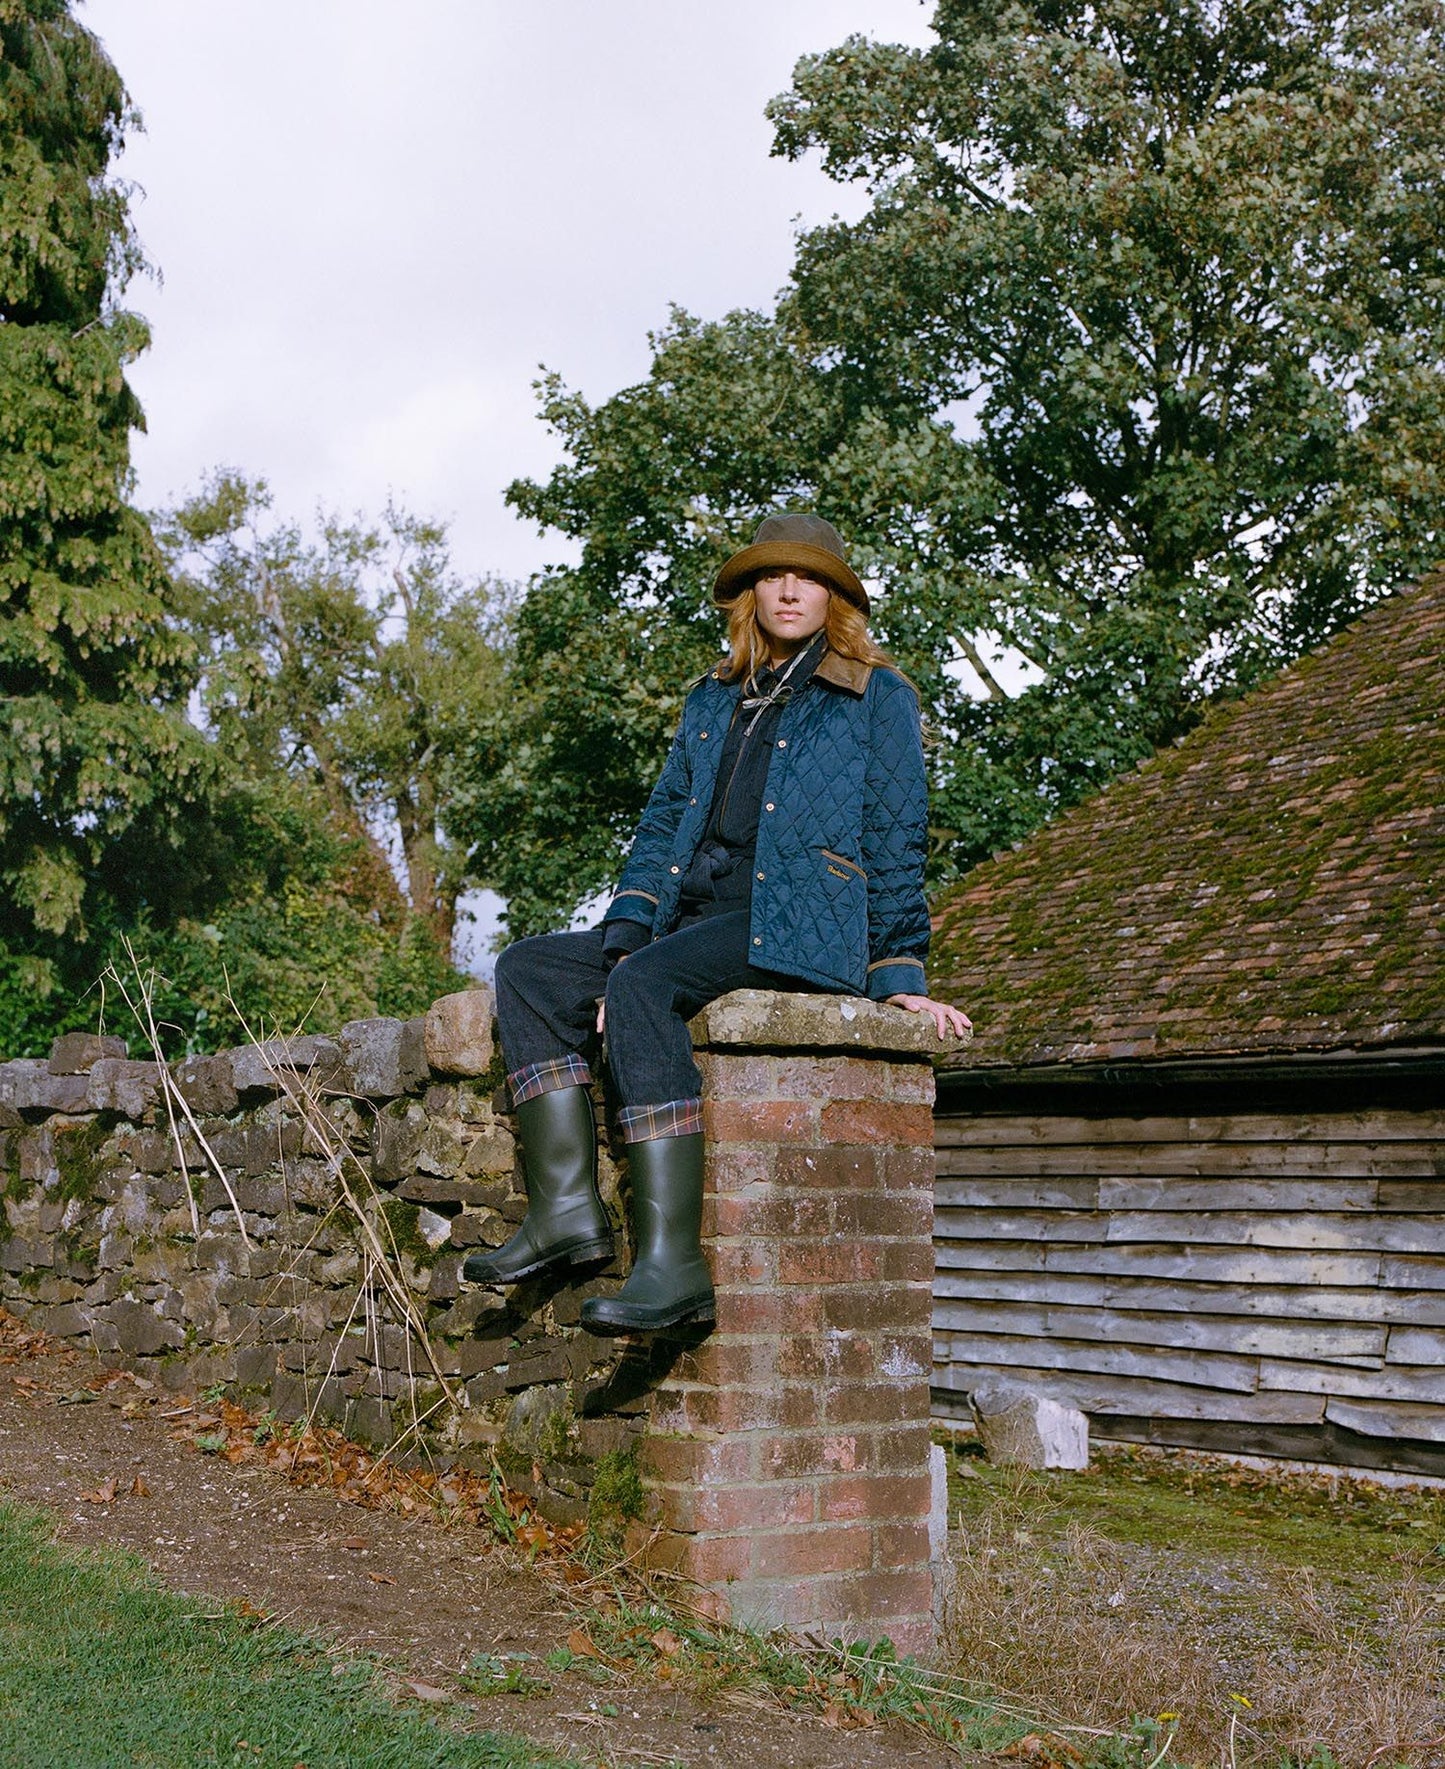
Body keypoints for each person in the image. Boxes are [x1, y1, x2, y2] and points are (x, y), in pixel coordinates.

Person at [464, 513, 970, 1333]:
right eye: (773, 576)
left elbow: (894, 835)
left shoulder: (876, 694)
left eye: (809, 578)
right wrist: (624, 936)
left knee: (644, 985)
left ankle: (674, 1267)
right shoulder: (713, 696)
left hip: (797, 923)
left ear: (835, 596)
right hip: (692, 915)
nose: (789, 590)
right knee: (529, 968)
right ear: (751, 594)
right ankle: (566, 1213)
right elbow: (662, 822)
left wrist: (899, 972)